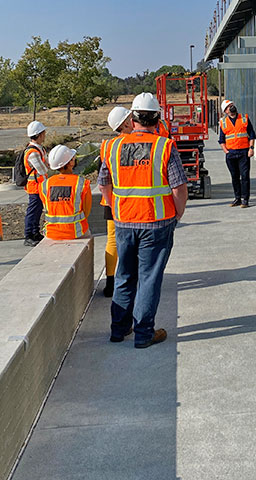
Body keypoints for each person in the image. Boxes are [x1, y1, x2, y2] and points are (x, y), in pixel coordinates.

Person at [98, 92, 188, 348]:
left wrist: (116, 207)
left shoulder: (112, 147)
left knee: (125, 275)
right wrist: (178, 212)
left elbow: (103, 183)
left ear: (133, 118)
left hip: (124, 221)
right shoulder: (164, 145)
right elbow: (179, 188)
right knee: (149, 277)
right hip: (157, 222)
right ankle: (144, 333)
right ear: (157, 118)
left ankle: (119, 329)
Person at [99, 106, 134, 297]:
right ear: (126, 123)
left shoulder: (107, 146)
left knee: (112, 241)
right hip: (132, 202)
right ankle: (129, 279)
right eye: (130, 117)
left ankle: (111, 282)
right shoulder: (138, 144)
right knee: (132, 242)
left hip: (111, 201)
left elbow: (102, 178)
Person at [40, 145, 92, 240]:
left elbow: (47, 207)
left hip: (51, 233)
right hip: (76, 232)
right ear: (71, 163)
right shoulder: (82, 183)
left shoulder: (45, 185)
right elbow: (86, 211)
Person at [219, 99, 256, 207]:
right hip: (231, 154)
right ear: (225, 111)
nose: (231, 107)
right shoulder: (223, 122)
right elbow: (221, 140)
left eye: (232, 105)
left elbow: (252, 134)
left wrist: (251, 148)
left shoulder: (244, 118)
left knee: (244, 176)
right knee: (234, 177)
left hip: (244, 152)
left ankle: (245, 199)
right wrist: (226, 151)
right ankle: (237, 198)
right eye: (229, 106)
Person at [23, 121, 49, 246]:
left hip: (40, 185)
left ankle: (35, 233)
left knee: (38, 210)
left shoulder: (39, 149)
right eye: (43, 133)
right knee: (33, 211)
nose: (45, 135)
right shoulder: (32, 152)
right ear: (39, 134)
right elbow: (43, 169)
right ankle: (28, 235)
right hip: (34, 186)